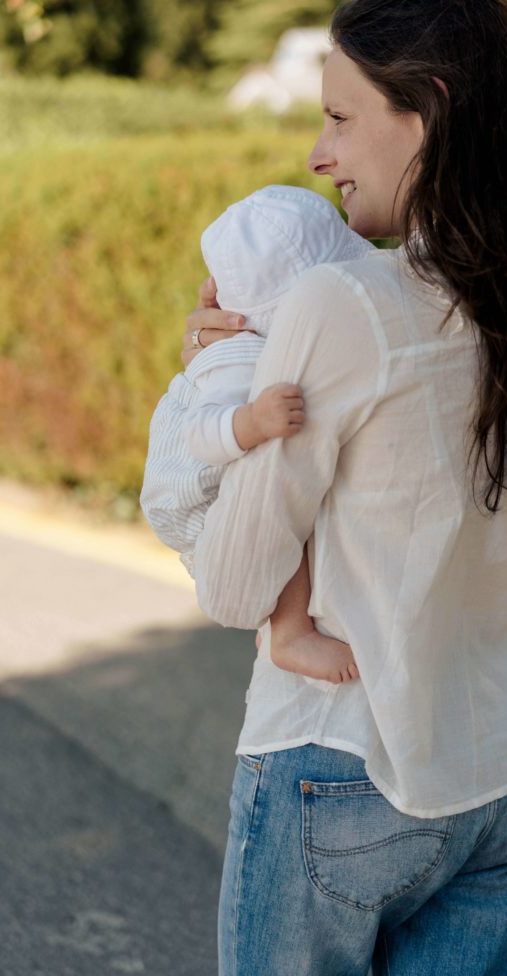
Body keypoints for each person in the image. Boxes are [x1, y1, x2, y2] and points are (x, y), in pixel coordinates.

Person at [144, 0, 507, 976]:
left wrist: (209, 387)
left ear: (428, 116)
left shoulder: (340, 303)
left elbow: (236, 588)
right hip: (496, 765)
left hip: (340, 767)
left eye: (338, 117)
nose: (318, 153)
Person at [140, 184, 372, 683]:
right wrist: (254, 423)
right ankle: (289, 632)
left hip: (210, 463)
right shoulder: (239, 357)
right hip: (188, 490)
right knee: (278, 502)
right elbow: (203, 434)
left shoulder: (269, 343)